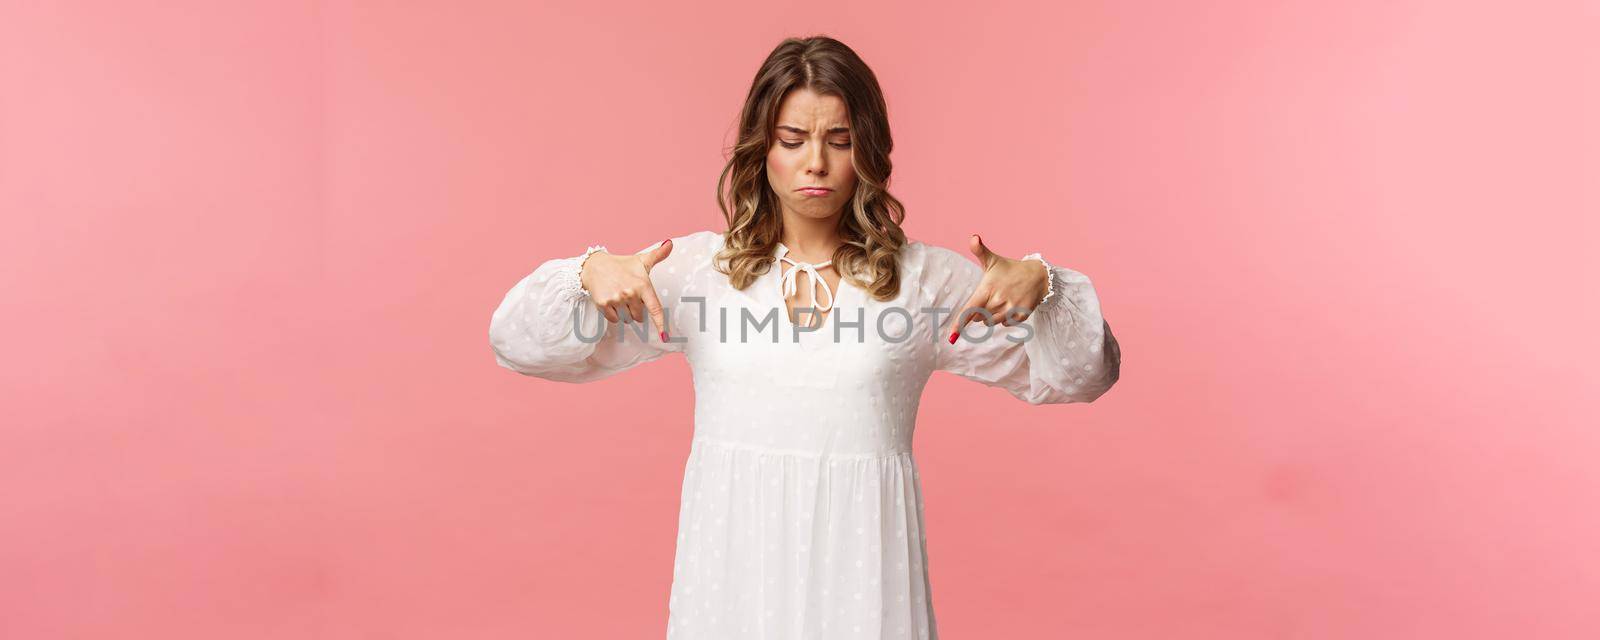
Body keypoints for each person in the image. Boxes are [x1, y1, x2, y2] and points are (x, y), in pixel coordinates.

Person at [488, 35, 1120, 640]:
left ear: (868, 151)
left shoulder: (924, 283)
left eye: (840, 140)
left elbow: (1081, 376)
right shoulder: (698, 275)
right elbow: (518, 344)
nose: (816, 162)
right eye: (793, 139)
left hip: (866, 579)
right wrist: (587, 273)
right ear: (761, 148)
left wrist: (1045, 286)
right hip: (731, 580)